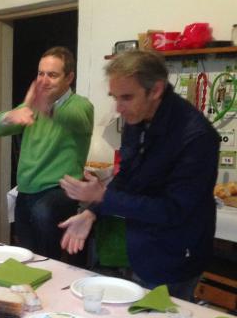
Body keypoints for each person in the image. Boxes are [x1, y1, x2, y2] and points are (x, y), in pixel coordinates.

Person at [59, 50, 219, 301]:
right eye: (114, 97)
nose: (118, 108)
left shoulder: (196, 136)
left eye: (126, 97)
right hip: (141, 248)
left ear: (155, 90)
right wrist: (93, 211)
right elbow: (127, 177)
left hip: (176, 256)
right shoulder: (139, 119)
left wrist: (103, 197)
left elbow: (173, 210)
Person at [0, 47, 93, 260]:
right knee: (27, 256)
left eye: (52, 75)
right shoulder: (33, 107)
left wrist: (47, 108)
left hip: (58, 192)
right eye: (40, 73)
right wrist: (10, 116)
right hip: (26, 190)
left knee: (51, 258)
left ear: (69, 78)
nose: (44, 80)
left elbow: (76, 119)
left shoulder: (81, 105)